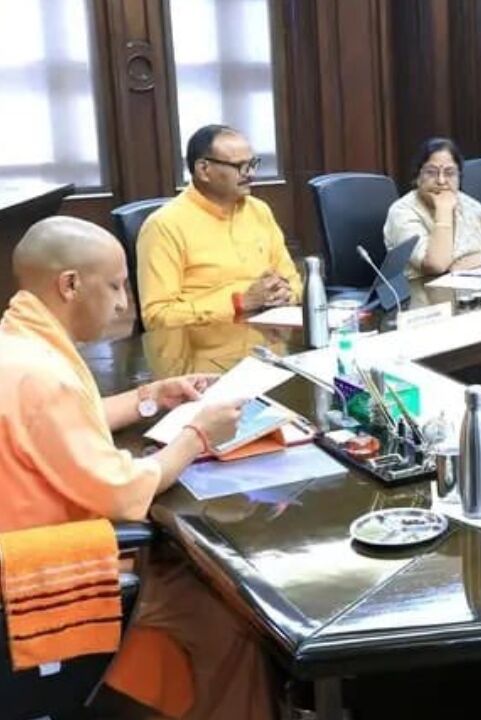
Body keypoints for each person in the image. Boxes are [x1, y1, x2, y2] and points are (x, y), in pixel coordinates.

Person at [0, 216, 274, 720]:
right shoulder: (42, 374)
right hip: (43, 572)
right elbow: (124, 492)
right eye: (115, 286)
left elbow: (64, 423)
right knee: (231, 616)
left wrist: (151, 397)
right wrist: (198, 434)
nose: (124, 304)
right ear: (70, 285)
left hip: (22, 551)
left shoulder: (17, 343)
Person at [137, 124, 301, 331]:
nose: (251, 174)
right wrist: (239, 303)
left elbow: (293, 281)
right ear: (204, 170)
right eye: (240, 166)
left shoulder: (259, 211)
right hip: (203, 343)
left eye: (253, 164)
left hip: (269, 338)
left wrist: (287, 295)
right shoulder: (164, 226)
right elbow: (157, 317)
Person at [384, 137, 481, 278]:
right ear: (417, 177)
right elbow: (436, 265)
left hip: (470, 284)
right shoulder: (402, 211)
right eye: (431, 172)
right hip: (423, 288)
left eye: (449, 173)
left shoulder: (464, 201)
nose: (441, 181)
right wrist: (443, 211)